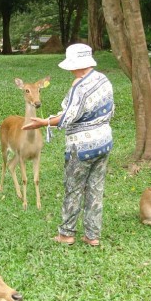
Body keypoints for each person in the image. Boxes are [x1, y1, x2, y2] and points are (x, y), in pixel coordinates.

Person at [23, 43, 114, 246]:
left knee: (73, 188)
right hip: (104, 142)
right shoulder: (104, 80)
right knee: (95, 188)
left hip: (81, 147)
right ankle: (92, 235)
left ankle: (67, 234)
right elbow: (110, 109)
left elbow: (68, 117)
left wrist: (44, 122)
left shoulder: (79, 86)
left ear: (76, 65)